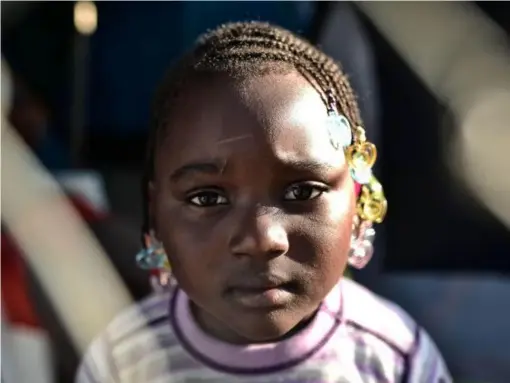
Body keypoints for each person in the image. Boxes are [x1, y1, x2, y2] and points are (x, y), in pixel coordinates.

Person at [76, 22, 451, 382]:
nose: (261, 238)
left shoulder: (393, 357)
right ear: (156, 217)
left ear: (358, 204)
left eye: (302, 192)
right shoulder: (124, 359)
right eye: (207, 197)